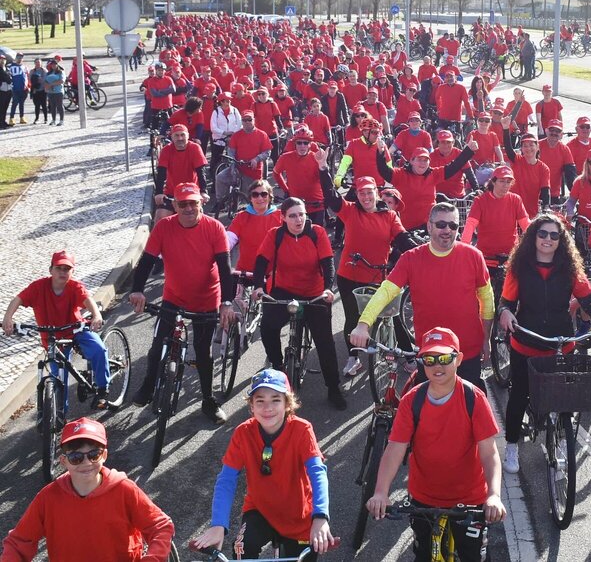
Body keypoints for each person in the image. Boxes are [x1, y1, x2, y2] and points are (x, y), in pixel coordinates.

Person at [365, 327, 506, 561]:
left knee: (474, 556)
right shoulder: (412, 400)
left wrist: (493, 495)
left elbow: (489, 453)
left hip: (469, 498)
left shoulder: (474, 398)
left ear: (458, 359)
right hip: (424, 497)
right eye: (429, 360)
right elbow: (395, 449)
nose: (437, 366)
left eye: (444, 358)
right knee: (423, 555)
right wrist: (380, 492)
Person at [496, 215, 591, 473]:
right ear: (533, 236)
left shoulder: (570, 269)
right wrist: (505, 313)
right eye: (543, 234)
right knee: (519, 394)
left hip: (560, 342)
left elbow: (589, 301)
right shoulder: (519, 268)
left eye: (555, 235)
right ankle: (511, 446)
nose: (548, 240)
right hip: (526, 342)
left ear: (561, 240)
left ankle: (563, 438)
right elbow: (506, 303)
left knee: (564, 398)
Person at [190, 370, 339, 559]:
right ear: (251, 406)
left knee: (304, 556)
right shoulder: (243, 433)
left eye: (276, 400)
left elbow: (317, 472)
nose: (267, 407)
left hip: (298, 515)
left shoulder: (302, 430)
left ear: (287, 403)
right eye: (260, 401)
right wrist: (218, 524)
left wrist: (320, 517)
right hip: (260, 510)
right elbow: (226, 479)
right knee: (241, 550)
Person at [349, 203, 494, 389]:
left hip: (467, 351)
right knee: (427, 412)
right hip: (429, 351)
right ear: (429, 226)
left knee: (468, 409)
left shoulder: (474, 256)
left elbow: (487, 299)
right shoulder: (410, 258)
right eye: (441, 224)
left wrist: (486, 338)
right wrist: (363, 324)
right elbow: (386, 291)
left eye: (453, 225)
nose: (447, 230)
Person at [129, 182, 236, 424]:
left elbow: (225, 268)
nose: (189, 208)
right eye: (183, 203)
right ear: (175, 205)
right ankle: (147, 385)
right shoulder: (164, 227)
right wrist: (137, 290)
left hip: (206, 297)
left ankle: (208, 401)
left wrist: (226, 303)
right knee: (158, 345)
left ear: (201, 203)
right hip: (174, 296)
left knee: (204, 353)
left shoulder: (215, 228)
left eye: (193, 203)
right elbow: (146, 261)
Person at [0, 418, 175, 562]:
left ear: (104, 455)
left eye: (94, 454)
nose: (86, 463)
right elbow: (19, 541)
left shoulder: (124, 489)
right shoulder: (48, 498)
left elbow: (160, 526)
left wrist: (152, 559)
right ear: (64, 461)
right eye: (76, 457)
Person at [317, 164, 418, 377]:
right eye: (361, 193)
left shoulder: (389, 216)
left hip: (378, 277)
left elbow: (402, 238)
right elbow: (331, 197)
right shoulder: (350, 210)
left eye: (369, 192)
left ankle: (409, 356)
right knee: (352, 319)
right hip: (349, 276)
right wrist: (323, 168)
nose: (365, 197)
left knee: (393, 316)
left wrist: (420, 252)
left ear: (376, 193)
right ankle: (353, 358)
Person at [251, 198, 347, 410]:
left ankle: (333, 388)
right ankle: (277, 367)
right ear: (283, 217)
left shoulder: (317, 233)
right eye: (293, 215)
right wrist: (258, 286)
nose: (298, 219)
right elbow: (261, 261)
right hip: (283, 290)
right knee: (267, 327)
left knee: (324, 342)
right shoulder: (275, 235)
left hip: (314, 293)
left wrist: (328, 289)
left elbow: (328, 263)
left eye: (301, 214)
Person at [2, 251, 111, 409]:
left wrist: (96, 315)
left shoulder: (75, 287)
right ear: (50, 269)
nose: (62, 272)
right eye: (59, 268)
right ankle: (60, 414)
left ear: (72, 272)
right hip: (52, 337)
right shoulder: (38, 287)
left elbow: (89, 300)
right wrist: (8, 318)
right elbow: (18, 299)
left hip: (75, 329)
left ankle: (103, 388)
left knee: (99, 349)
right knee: (59, 375)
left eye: (67, 269)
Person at [378, 140, 477, 231]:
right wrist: (380, 152)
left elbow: (453, 166)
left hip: (430, 226)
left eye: (425, 160)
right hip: (407, 228)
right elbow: (383, 170)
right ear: (412, 161)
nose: (422, 163)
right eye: (419, 159)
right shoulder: (400, 174)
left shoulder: (433, 174)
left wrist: (468, 151)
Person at [215, 110, 272, 213]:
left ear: (254, 120)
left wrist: (256, 159)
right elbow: (231, 151)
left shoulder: (262, 135)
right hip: (238, 167)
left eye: (249, 120)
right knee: (220, 177)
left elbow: (267, 152)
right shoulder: (236, 135)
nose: (247, 122)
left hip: (253, 170)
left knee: (249, 195)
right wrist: (233, 164)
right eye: (244, 120)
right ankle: (221, 202)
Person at [154, 123, 209, 222]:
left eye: (182, 135)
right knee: (160, 217)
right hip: (172, 192)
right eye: (176, 135)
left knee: (197, 218)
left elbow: (201, 172)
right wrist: (158, 193)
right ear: (172, 137)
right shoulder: (166, 150)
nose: (180, 138)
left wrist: (204, 192)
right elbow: (161, 172)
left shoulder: (195, 148)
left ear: (188, 136)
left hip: (190, 191)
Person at [273, 127, 327, 226]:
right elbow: (276, 173)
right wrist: (286, 189)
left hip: (316, 203)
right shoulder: (285, 158)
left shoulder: (316, 158)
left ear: (310, 144)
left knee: (317, 234)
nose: (302, 146)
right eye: (299, 143)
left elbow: (325, 180)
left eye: (305, 143)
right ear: (295, 144)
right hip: (296, 204)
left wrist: (323, 165)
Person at [499, 119, 551, 218]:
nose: (528, 148)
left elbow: (545, 190)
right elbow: (509, 149)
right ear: (521, 149)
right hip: (511, 211)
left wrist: (546, 207)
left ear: (537, 147)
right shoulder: (517, 160)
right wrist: (506, 129)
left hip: (530, 214)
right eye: (525, 146)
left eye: (531, 145)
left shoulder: (543, 168)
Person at [7, 53, 28, 125]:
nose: (20, 59)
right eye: (18, 57)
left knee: (22, 103)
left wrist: (27, 86)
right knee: (15, 103)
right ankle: (11, 118)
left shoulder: (24, 67)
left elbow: (26, 77)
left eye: (21, 57)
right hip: (14, 88)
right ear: (15, 58)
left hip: (23, 88)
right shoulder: (10, 67)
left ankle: (22, 117)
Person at [43, 61, 65, 127]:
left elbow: (62, 81)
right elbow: (45, 81)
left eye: (54, 64)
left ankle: (61, 120)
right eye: (52, 65)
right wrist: (47, 86)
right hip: (51, 92)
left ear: (57, 65)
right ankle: (53, 120)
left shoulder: (60, 72)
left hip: (58, 91)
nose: (53, 66)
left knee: (59, 106)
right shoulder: (49, 73)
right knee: (52, 106)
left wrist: (52, 84)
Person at [29, 58, 48, 125]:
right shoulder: (32, 71)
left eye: (39, 62)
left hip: (43, 90)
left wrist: (39, 80)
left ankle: (46, 119)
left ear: (41, 63)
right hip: (35, 91)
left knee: (44, 105)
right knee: (37, 105)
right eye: (36, 62)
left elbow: (46, 80)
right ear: (34, 63)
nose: (38, 64)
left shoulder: (44, 70)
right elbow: (30, 80)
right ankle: (37, 118)